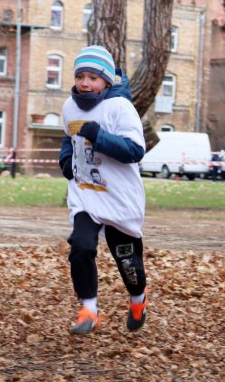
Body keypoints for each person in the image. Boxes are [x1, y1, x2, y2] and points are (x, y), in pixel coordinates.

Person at [59, 45, 147, 334]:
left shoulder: (120, 108)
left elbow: (134, 150)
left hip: (119, 197)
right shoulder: (69, 108)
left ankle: (137, 299)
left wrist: (99, 136)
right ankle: (89, 309)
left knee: (128, 261)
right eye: (80, 76)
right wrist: (65, 159)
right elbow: (68, 139)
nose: (85, 83)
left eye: (93, 77)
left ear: (107, 81)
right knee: (81, 247)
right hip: (86, 193)